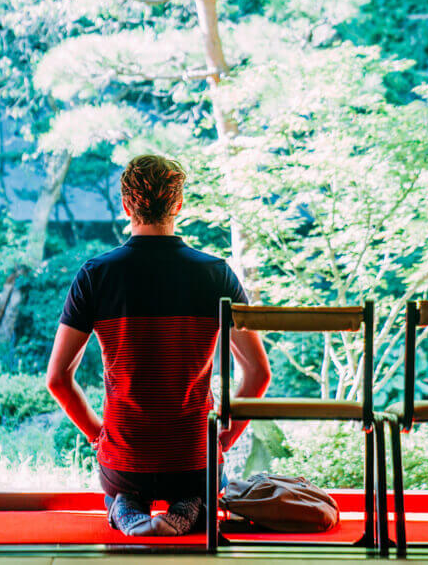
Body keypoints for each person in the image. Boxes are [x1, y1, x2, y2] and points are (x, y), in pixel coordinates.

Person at [46, 154, 271, 537]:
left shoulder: (95, 275)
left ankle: (125, 506)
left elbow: (57, 379)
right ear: (179, 205)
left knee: (122, 482)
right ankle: (192, 504)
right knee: (202, 478)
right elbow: (258, 373)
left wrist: (96, 434)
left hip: (124, 459)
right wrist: (225, 438)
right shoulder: (215, 273)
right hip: (195, 457)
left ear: (126, 205)